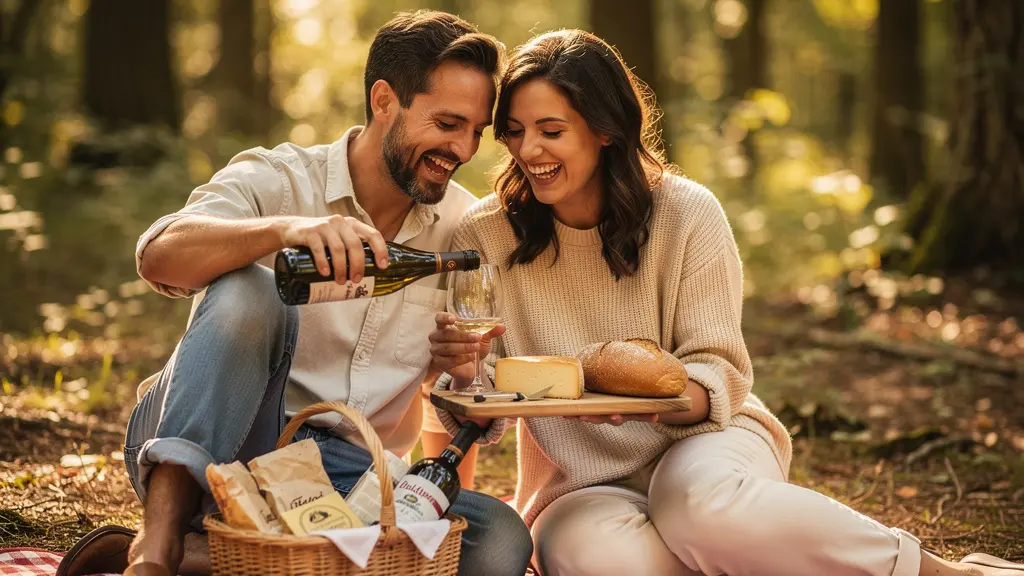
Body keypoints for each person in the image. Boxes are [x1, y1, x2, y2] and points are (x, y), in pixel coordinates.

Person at [426, 30, 1024, 576]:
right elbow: (490, 409)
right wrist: (462, 372)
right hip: (577, 482)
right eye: (513, 131)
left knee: (698, 511)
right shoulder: (486, 236)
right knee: (595, 557)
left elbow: (719, 372)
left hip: (705, 443)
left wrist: (649, 403)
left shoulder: (687, 213)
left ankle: (938, 572)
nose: (527, 150)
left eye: (551, 130)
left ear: (605, 129)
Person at [56, 11, 533, 576]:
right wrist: (284, 231)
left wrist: (459, 373)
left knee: (499, 541)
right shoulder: (282, 179)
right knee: (249, 290)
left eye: (476, 130)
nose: (463, 148)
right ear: (384, 101)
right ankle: (153, 550)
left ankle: (210, 555)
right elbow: (158, 254)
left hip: (344, 473)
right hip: (223, 438)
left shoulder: (459, 227)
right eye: (448, 123)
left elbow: (453, 401)